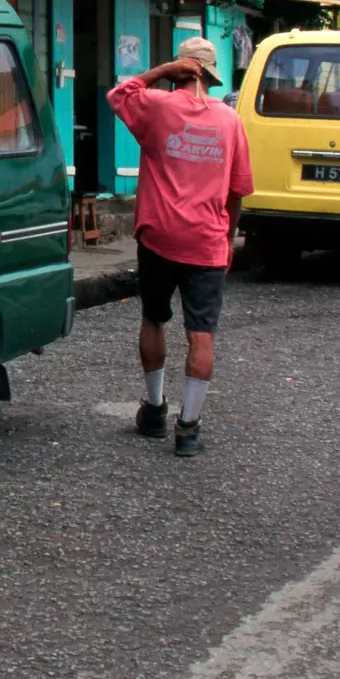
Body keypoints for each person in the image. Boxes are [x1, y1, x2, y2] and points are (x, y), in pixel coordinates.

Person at [107, 36, 253, 459]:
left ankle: (153, 411)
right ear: (209, 75)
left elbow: (119, 94)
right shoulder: (229, 121)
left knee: (154, 318)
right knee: (201, 334)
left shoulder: (157, 107)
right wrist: (227, 240)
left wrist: (158, 73)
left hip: (158, 237)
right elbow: (238, 191)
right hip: (206, 241)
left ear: (179, 72)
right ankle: (188, 430)